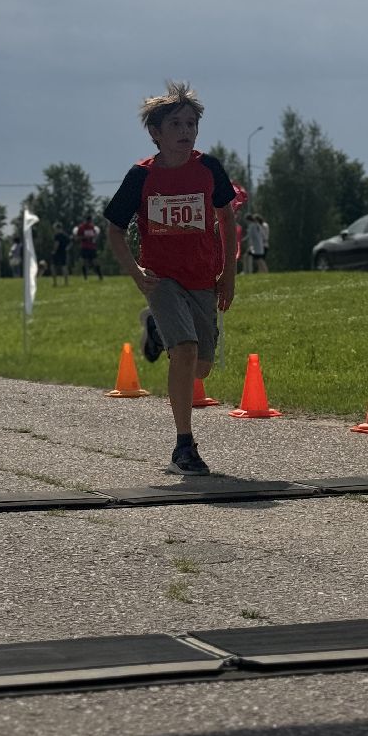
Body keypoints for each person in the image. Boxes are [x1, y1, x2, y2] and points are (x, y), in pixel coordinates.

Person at [104, 80, 238, 476]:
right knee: (184, 352)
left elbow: (227, 218)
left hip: (202, 277)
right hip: (161, 279)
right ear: (156, 133)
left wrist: (228, 274)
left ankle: (156, 329)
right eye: (176, 125)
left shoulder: (209, 168)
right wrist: (135, 272)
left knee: (201, 366)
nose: (185, 132)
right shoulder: (141, 177)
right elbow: (114, 228)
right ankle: (184, 446)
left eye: (191, 125)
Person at [74, 213, 104, 281]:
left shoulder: (92, 227)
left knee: (95, 261)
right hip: (84, 247)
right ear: (86, 220)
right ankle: (85, 277)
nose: (89, 223)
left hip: (92, 247)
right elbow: (77, 238)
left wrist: (95, 237)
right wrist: (85, 237)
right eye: (89, 221)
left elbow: (95, 235)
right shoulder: (81, 227)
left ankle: (100, 276)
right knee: (84, 262)